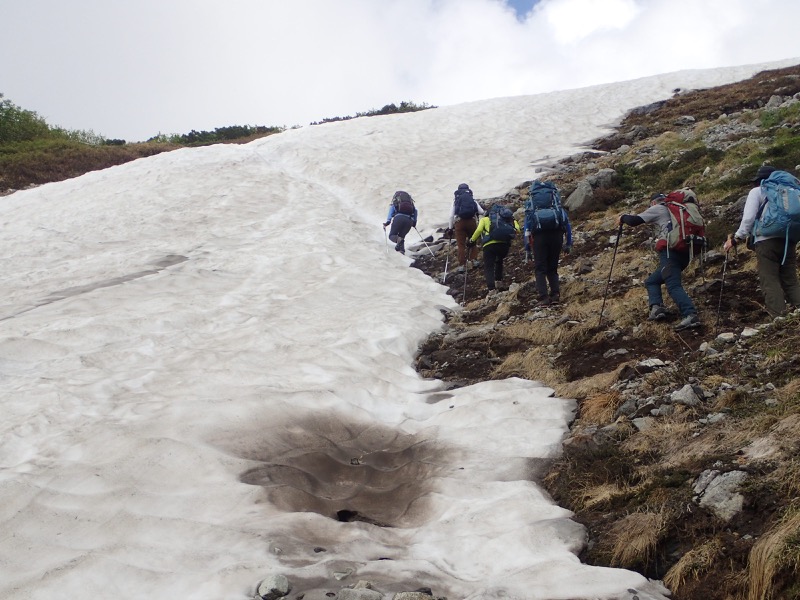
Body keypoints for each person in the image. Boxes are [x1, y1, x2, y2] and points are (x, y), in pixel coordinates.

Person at [723, 165, 800, 317]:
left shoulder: (758, 191)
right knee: (790, 279)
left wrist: (736, 238)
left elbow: (749, 219)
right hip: (789, 239)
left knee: (769, 280)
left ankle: (778, 316)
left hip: (766, 241)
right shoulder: (791, 191)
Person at [618, 191, 701, 330]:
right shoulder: (679, 208)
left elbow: (633, 221)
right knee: (652, 281)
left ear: (653, 202)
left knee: (673, 285)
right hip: (685, 253)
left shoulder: (658, 208)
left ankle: (690, 315)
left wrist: (622, 217)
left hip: (670, 252)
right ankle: (656, 309)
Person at [467, 205, 520, 294]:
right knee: (499, 261)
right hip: (504, 245)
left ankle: (491, 289)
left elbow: (479, 230)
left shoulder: (485, 219)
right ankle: (498, 282)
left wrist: (471, 240)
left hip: (489, 245)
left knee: (489, 266)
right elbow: (517, 229)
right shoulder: (507, 219)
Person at [527, 205, 573, 305]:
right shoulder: (557, 206)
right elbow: (567, 225)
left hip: (539, 238)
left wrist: (528, 250)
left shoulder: (532, 206)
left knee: (540, 268)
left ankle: (544, 297)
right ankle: (555, 294)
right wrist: (568, 244)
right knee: (552, 267)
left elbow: (527, 230)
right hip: (557, 236)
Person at [446, 183, 485, 270]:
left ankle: (462, 265)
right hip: (471, 221)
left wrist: (450, 228)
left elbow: (451, 216)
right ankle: (474, 260)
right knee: (473, 241)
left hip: (459, 223)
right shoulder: (472, 199)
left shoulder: (456, 200)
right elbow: (481, 211)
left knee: (461, 244)